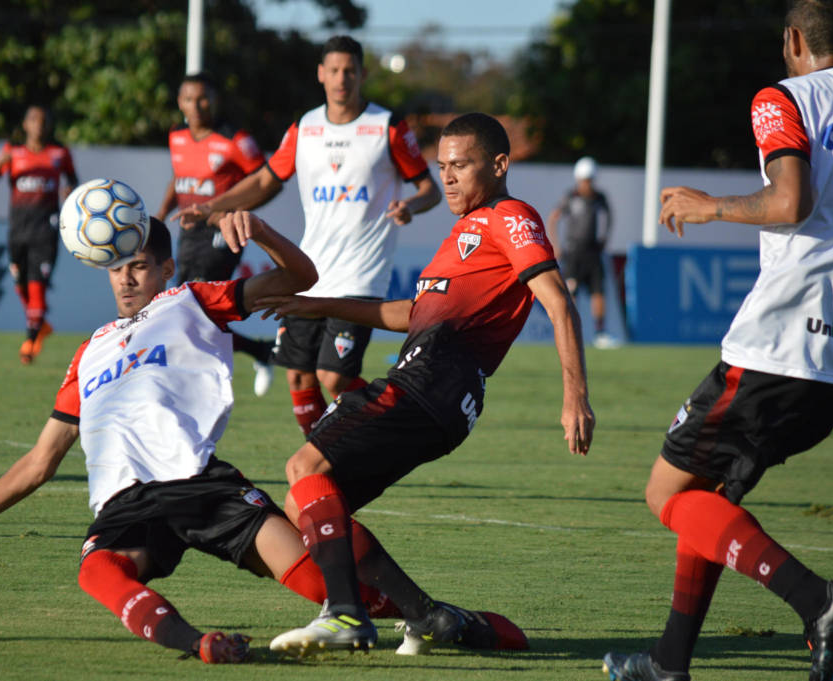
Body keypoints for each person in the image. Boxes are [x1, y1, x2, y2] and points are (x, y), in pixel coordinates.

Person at [0, 216, 522, 663]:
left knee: (329, 582)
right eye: (116, 267)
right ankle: (199, 642)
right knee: (97, 569)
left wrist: (260, 230)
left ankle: (441, 618)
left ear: (164, 266)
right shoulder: (89, 353)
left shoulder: (194, 300)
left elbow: (296, 274)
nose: (127, 278)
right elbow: (41, 462)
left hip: (205, 485)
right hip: (127, 502)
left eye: (140, 265)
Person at [253, 112, 594, 657]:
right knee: (308, 507)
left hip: (434, 376)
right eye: (442, 167)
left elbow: (557, 300)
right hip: (441, 390)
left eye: (461, 165)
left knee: (303, 470)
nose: (448, 178)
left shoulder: (510, 216)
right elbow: (410, 312)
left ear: (500, 165)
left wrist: (575, 396)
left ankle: (345, 615)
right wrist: (313, 304)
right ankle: (434, 618)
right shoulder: (464, 232)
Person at [602, 3, 833, 680]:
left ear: (794, 40)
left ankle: (818, 599)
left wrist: (707, 205)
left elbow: (789, 203)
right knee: (711, 495)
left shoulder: (782, 97)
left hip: (779, 341)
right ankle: (669, 662)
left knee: (667, 494)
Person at [186, 35, 441, 435]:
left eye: (350, 71)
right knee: (298, 378)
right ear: (321, 74)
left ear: (362, 74)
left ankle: (394, 429)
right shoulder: (306, 128)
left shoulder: (386, 127)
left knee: (333, 377)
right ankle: (326, 455)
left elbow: (430, 189)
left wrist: (411, 205)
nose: (342, 78)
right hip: (310, 271)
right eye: (335, 70)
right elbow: (266, 180)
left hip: (360, 274)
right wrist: (210, 207)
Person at [155, 72, 277, 397]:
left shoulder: (236, 140)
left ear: (214, 100)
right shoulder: (177, 135)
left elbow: (267, 183)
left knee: (194, 305)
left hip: (220, 232)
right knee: (196, 311)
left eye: (203, 98)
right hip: (188, 230)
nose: (196, 105)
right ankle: (261, 352)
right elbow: (178, 177)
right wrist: (161, 213)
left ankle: (199, 382)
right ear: (180, 102)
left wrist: (232, 213)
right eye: (188, 99)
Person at [0, 105, 78, 365]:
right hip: (17, 229)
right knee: (20, 284)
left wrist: (69, 192)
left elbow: (73, 183)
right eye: (34, 119)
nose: (39, 124)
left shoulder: (59, 153)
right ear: (25, 124)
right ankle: (41, 324)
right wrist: (0, 164)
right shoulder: (12, 152)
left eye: (44, 120)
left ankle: (30, 340)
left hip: (45, 229)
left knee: (38, 284)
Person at [547, 156, 614, 348]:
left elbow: (608, 219)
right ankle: (571, 332)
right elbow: (554, 218)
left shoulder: (600, 198)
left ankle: (600, 333)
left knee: (598, 292)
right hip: (574, 253)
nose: (586, 184)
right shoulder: (571, 197)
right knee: (571, 293)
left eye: (589, 180)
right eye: (584, 180)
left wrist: (604, 240)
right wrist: (556, 246)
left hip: (592, 253)